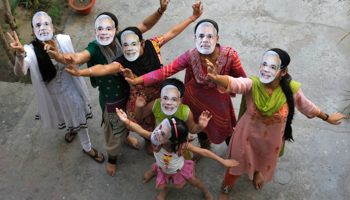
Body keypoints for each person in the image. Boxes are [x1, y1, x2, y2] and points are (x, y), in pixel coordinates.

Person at [47, 0, 175, 176]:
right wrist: (60, 57)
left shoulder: (124, 38)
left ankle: (128, 137)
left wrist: (160, 10)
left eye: (109, 28)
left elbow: (145, 25)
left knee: (132, 121)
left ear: (116, 30)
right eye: (100, 28)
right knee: (115, 131)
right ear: (95, 31)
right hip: (113, 99)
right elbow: (77, 57)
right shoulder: (95, 48)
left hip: (132, 93)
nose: (104, 32)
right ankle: (113, 158)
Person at [64, 2, 204, 159]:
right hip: (140, 100)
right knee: (146, 124)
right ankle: (150, 141)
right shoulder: (122, 61)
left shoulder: (154, 44)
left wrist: (193, 17)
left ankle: (174, 135)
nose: (129, 48)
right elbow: (103, 69)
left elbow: (172, 32)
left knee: (166, 117)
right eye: (125, 45)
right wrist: (79, 72)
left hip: (160, 93)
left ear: (142, 42)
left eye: (133, 44)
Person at [205, 48, 348, 200]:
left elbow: (307, 107)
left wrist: (327, 117)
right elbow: (236, 83)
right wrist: (216, 77)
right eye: (264, 64)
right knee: (236, 165)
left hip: (270, 141)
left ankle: (257, 171)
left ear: (283, 72)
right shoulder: (253, 84)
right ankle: (226, 190)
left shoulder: (292, 90)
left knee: (261, 160)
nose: (266, 69)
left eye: (272, 67)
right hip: (247, 137)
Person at [125, 19, 247, 156]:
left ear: (217, 38)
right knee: (199, 126)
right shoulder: (191, 55)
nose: (205, 40)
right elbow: (165, 71)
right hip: (195, 98)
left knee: (225, 129)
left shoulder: (230, 55)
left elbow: (244, 81)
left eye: (210, 36)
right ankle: (204, 149)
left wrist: (221, 80)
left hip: (219, 101)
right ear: (195, 38)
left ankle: (235, 153)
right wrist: (137, 80)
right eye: (201, 36)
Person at [7, 11, 104, 164]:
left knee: (80, 119)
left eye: (46, 23)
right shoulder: (30, 51)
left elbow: (75, 62)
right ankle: (71, 129)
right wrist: (20, 55)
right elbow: (20, 72)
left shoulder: (64, 40)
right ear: (33, 30)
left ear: (52, 26)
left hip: (71, 91)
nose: (43, 27)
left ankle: (87, 147)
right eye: (38, 25)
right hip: (53, 96)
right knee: (65, 116)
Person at [115, 108, 239, 200]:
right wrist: (127, 120)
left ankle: (205, 190)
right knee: (163, 180)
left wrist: (222, 161)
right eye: (159, 127)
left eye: (163, 133)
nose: (157, 132)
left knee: (195, 182)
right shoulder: (155, 139)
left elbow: (203, 151)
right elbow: (140, 129)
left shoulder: (181, 146)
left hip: (179, 170)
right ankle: (164, 187)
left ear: (174, 141)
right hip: (162, 167)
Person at [135, 78, 212, 160]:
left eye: (174, 99)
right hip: (160, 140)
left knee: (182, 159)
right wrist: (138, 107)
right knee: (161, 158)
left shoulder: (185, 112)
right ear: (160, 97)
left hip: (179, 144)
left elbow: (192, 129)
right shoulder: (155, 104)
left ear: (180, 100)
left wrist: (200, 126)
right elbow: (140, 115)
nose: (168, 102)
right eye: (165, 98)